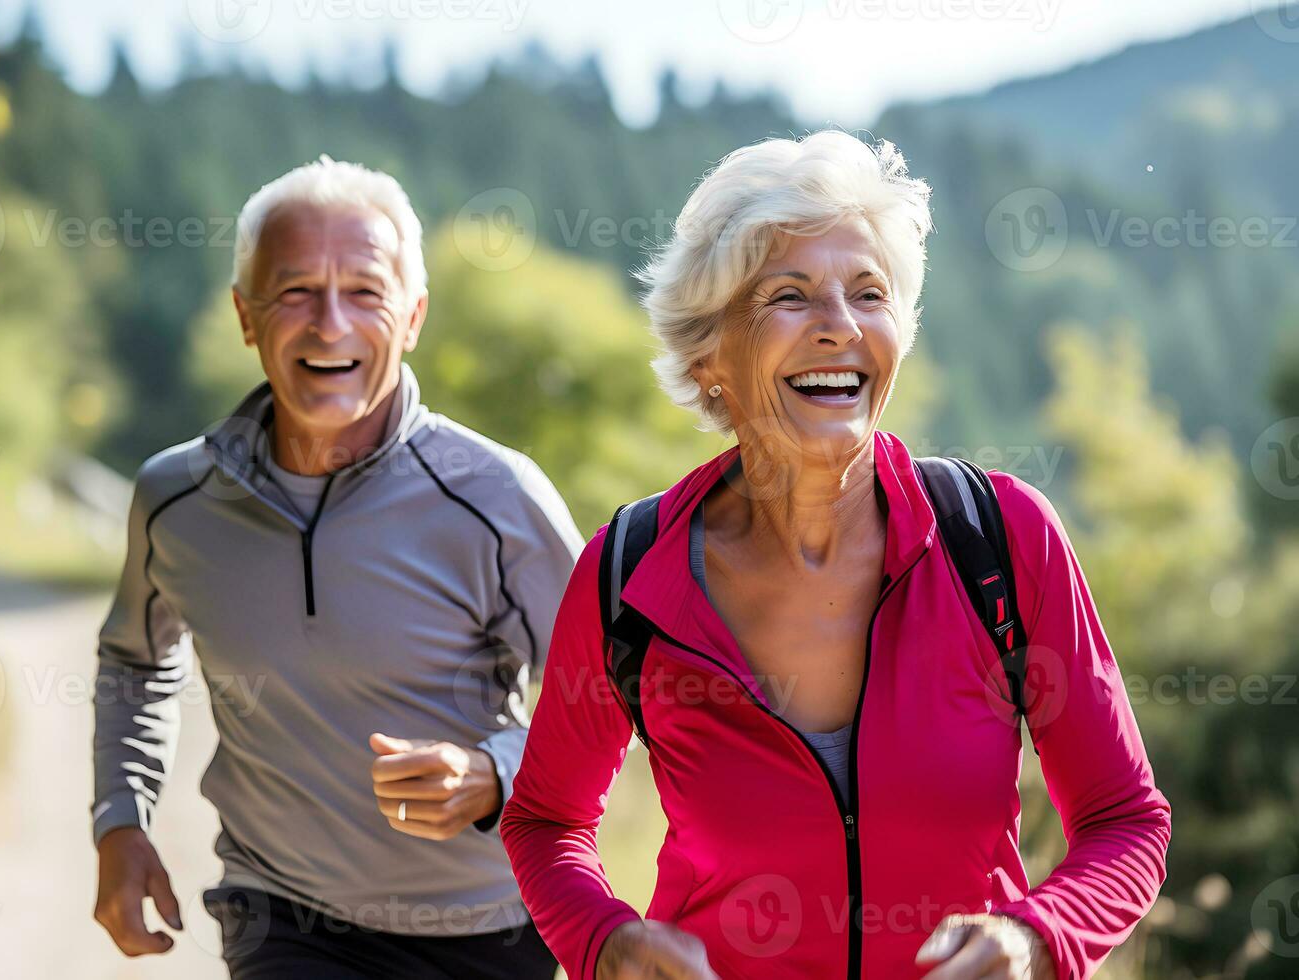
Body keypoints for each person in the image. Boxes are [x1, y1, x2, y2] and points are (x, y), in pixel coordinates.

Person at [500, 131, 1171, 980]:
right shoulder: (631, 572)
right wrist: (607, 941)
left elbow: (1125, 819)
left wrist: (1040, 939)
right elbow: (546, 821)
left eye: (869, 293)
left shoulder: (1001, 539)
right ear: (710, 358)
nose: (840, 328)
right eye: (791, 295)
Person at [90, 157, 578, 979]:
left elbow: (610, 697)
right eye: (294, 293)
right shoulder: (177, 497)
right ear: (245, 316)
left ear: (413, 316)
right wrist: (120, 820)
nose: (329, 324)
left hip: (487, 929)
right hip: (280, 916)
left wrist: (494, 771)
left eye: (364, 291)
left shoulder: (496, 498)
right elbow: (135, 660)